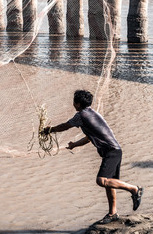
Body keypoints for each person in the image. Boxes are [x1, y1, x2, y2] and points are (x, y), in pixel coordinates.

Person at [43, 89, 143, 224]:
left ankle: (134, 189)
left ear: (77, 104)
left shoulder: (80, 115)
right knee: (109, 184)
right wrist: (74, 145)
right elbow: (89, 138)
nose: (73, 104)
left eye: (74, 101)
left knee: (101, 180)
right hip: (115, 150)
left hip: (111, 152)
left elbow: (65, 126)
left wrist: (50, 130)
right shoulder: (93, 114)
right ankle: (113, 213)